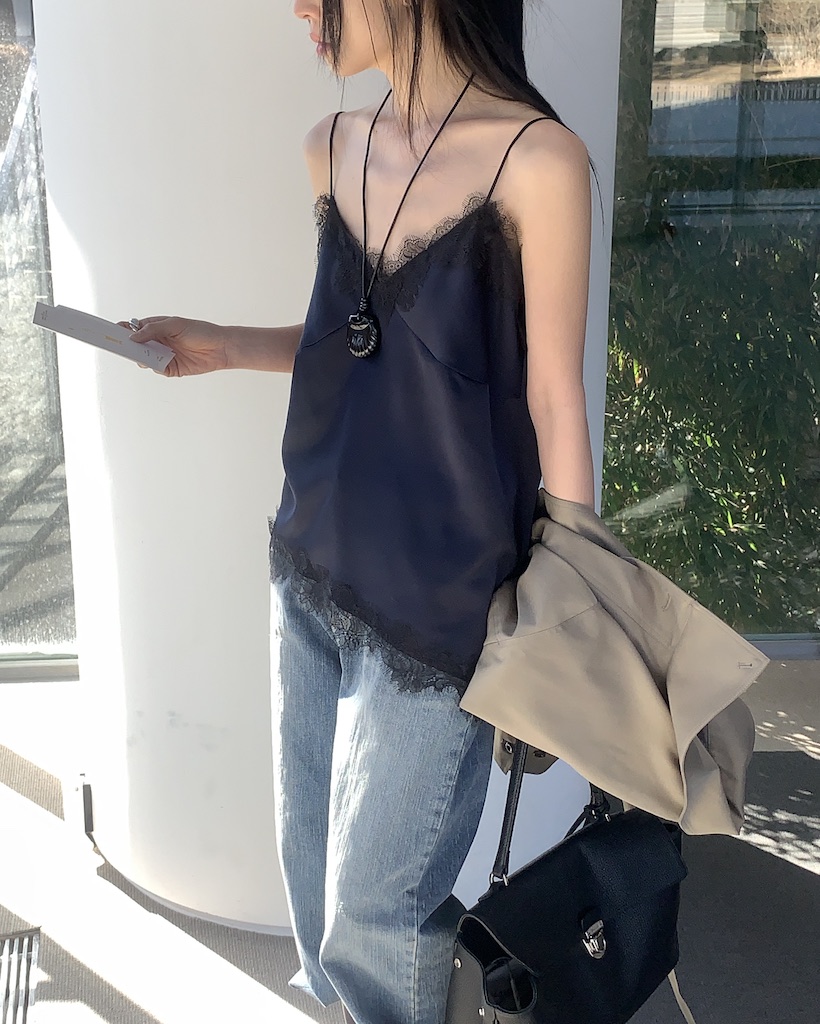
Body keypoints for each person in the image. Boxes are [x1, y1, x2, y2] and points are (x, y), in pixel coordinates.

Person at [123, 1, 594, 1021]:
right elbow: (354, 338)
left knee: (377, 915)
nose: (299, 6)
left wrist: (568, 607)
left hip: (443, 604)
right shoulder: (330, 146)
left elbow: (556, 397)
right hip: (309, 560)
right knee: (316, 892)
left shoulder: (537, 160)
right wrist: (220, 344)